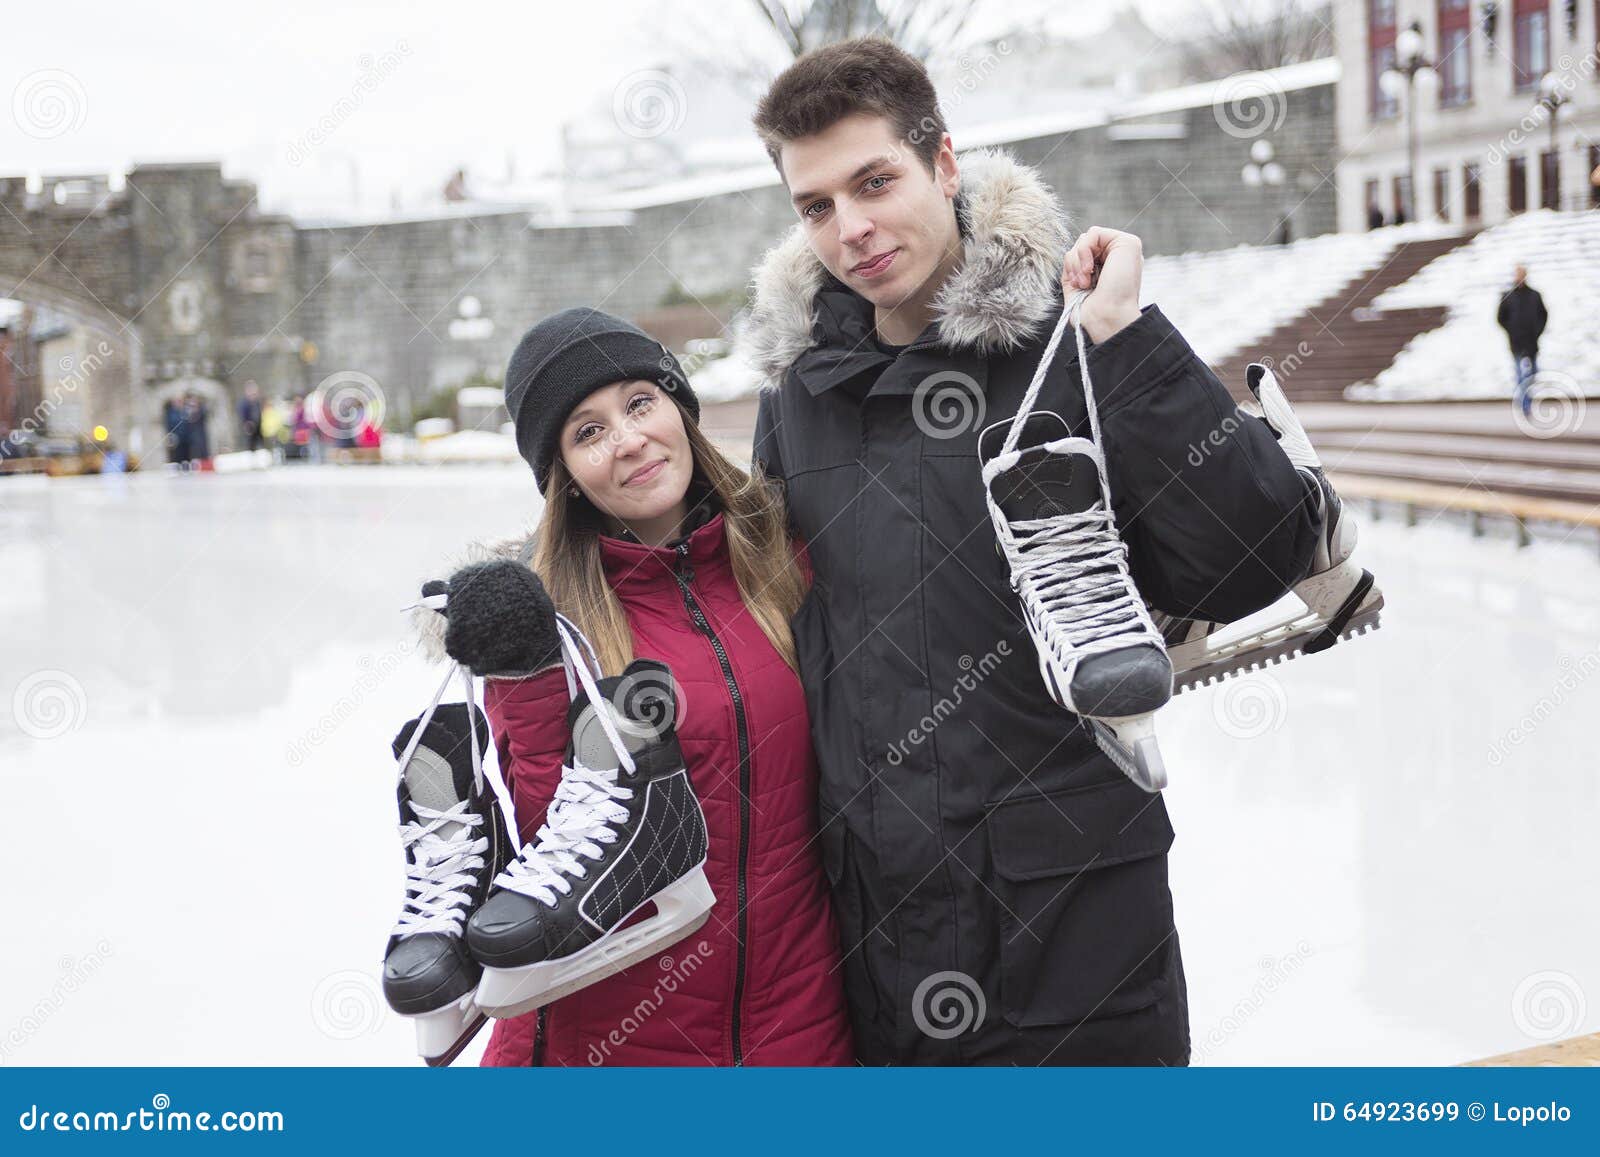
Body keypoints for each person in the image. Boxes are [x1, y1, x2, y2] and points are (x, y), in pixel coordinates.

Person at [746, 37, 1319, 1065]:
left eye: (874, 181)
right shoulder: (798, 397)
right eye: (816, 205)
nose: (852, 229)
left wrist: (1127, 339)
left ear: (946, 164)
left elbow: (1249, 558)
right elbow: (776, 625)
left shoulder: (1075, 338)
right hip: (878, 948)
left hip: (1070, 945)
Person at [412, 308, 854, 1066]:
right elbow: (556, 845)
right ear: (565, 478)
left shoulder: (782, 562)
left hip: (798, 1029)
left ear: (678, 406)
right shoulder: (550, 624)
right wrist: (522, 673)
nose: (628, 440)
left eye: (639, 403)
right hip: (614, 1043)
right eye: (587, 431)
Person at [1496, 264, 1547, 417]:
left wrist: (1537, 331)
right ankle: (1524, 403)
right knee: (1520, 373)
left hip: (1532, 341)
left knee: (1532, 374)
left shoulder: (1534, 295)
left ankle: (1526, 398)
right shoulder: (1508, 295)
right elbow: (1500, 317)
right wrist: (1511, 331)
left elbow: (1543, 315)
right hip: (1516, 342)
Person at [238, 381, 263, 452]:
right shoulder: (244, 404)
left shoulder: (257, 403)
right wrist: (247, 424)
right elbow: (243, 417)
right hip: (249, 432)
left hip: (258, 431)